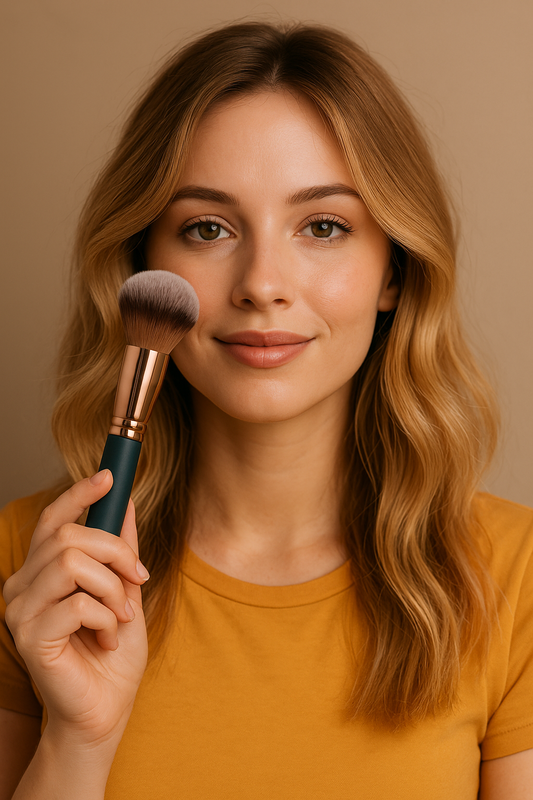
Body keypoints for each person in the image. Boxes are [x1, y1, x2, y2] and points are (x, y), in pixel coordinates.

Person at [1, 20, 532, 800]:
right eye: (207, 228)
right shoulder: (29, 568)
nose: (261, 283)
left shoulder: (513, 577)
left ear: (394, 273)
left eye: (322, 226)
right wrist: (80, 740)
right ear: (143, 264)